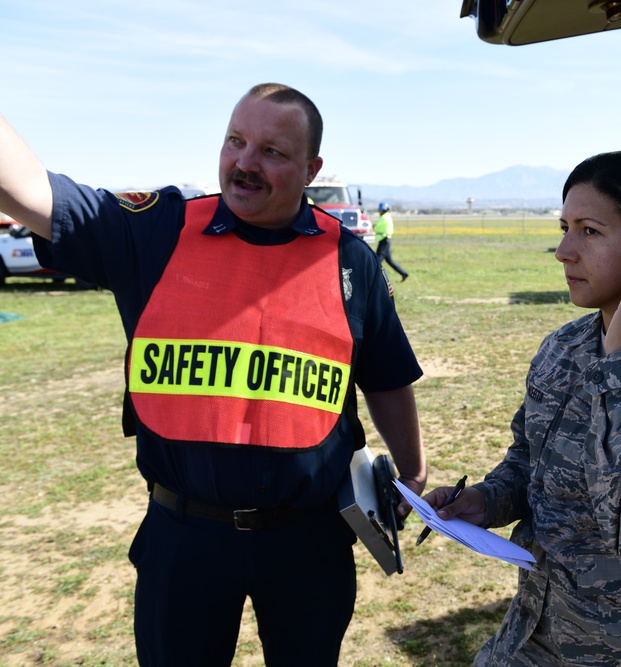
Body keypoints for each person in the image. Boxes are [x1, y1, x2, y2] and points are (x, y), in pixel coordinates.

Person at [0, 83, 426, 666]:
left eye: (272, 151)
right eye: (235, 141)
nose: (245, 163)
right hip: (184, 539)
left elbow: (386, 377)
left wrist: (413, 471)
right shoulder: (156, 232)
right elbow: (27, 192)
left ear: (311, 168)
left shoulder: (350, 260)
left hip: (309, 541)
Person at [423, 150, 621, 666]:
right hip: (539, 626)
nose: (562, 251)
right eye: (564, 227)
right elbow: (529, 460)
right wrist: (485, 501)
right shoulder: (563, 347)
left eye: (589, 231)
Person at [373, 201, 409, 281]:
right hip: (386, 240)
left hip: (384, 241)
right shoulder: (387, 216)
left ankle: (374, 279)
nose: (379, 211)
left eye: (380, 210)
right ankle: (404, 273)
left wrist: (374, 227)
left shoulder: (383, 218)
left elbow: (377, 228)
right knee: (389, 261)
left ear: (382, 210)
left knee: (377, 261)